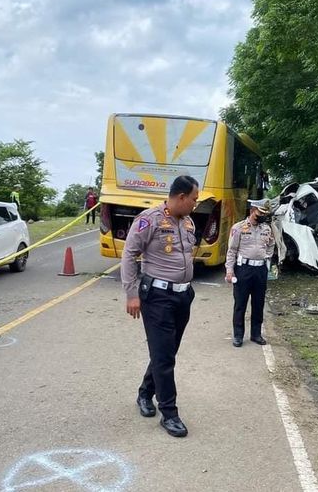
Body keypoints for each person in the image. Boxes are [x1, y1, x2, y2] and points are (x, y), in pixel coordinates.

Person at [121, 175, 199, 438]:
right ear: (181, 197)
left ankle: (145, 393)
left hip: (182, 297)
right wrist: (132, 294)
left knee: (166, 352)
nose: (195, 205)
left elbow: (189, 252)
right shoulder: (149, 219)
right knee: (164, 357)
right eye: (193, 200)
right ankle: (170, 413)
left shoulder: (188, 222)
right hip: (157, 297)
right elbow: (130, 254)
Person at [225, 198, 275, 347]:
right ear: (252, 211)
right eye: (260, 212)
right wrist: (230, 270)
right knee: (240, 303)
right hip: (243, 269)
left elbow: (271, 244)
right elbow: (231, 251)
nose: (263, 215)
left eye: (265, 213)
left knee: (258, 303)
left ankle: (256, 334)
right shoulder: (238, 227)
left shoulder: (266, 228)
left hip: (260, 269)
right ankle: (238, 335)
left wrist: (266, 258)